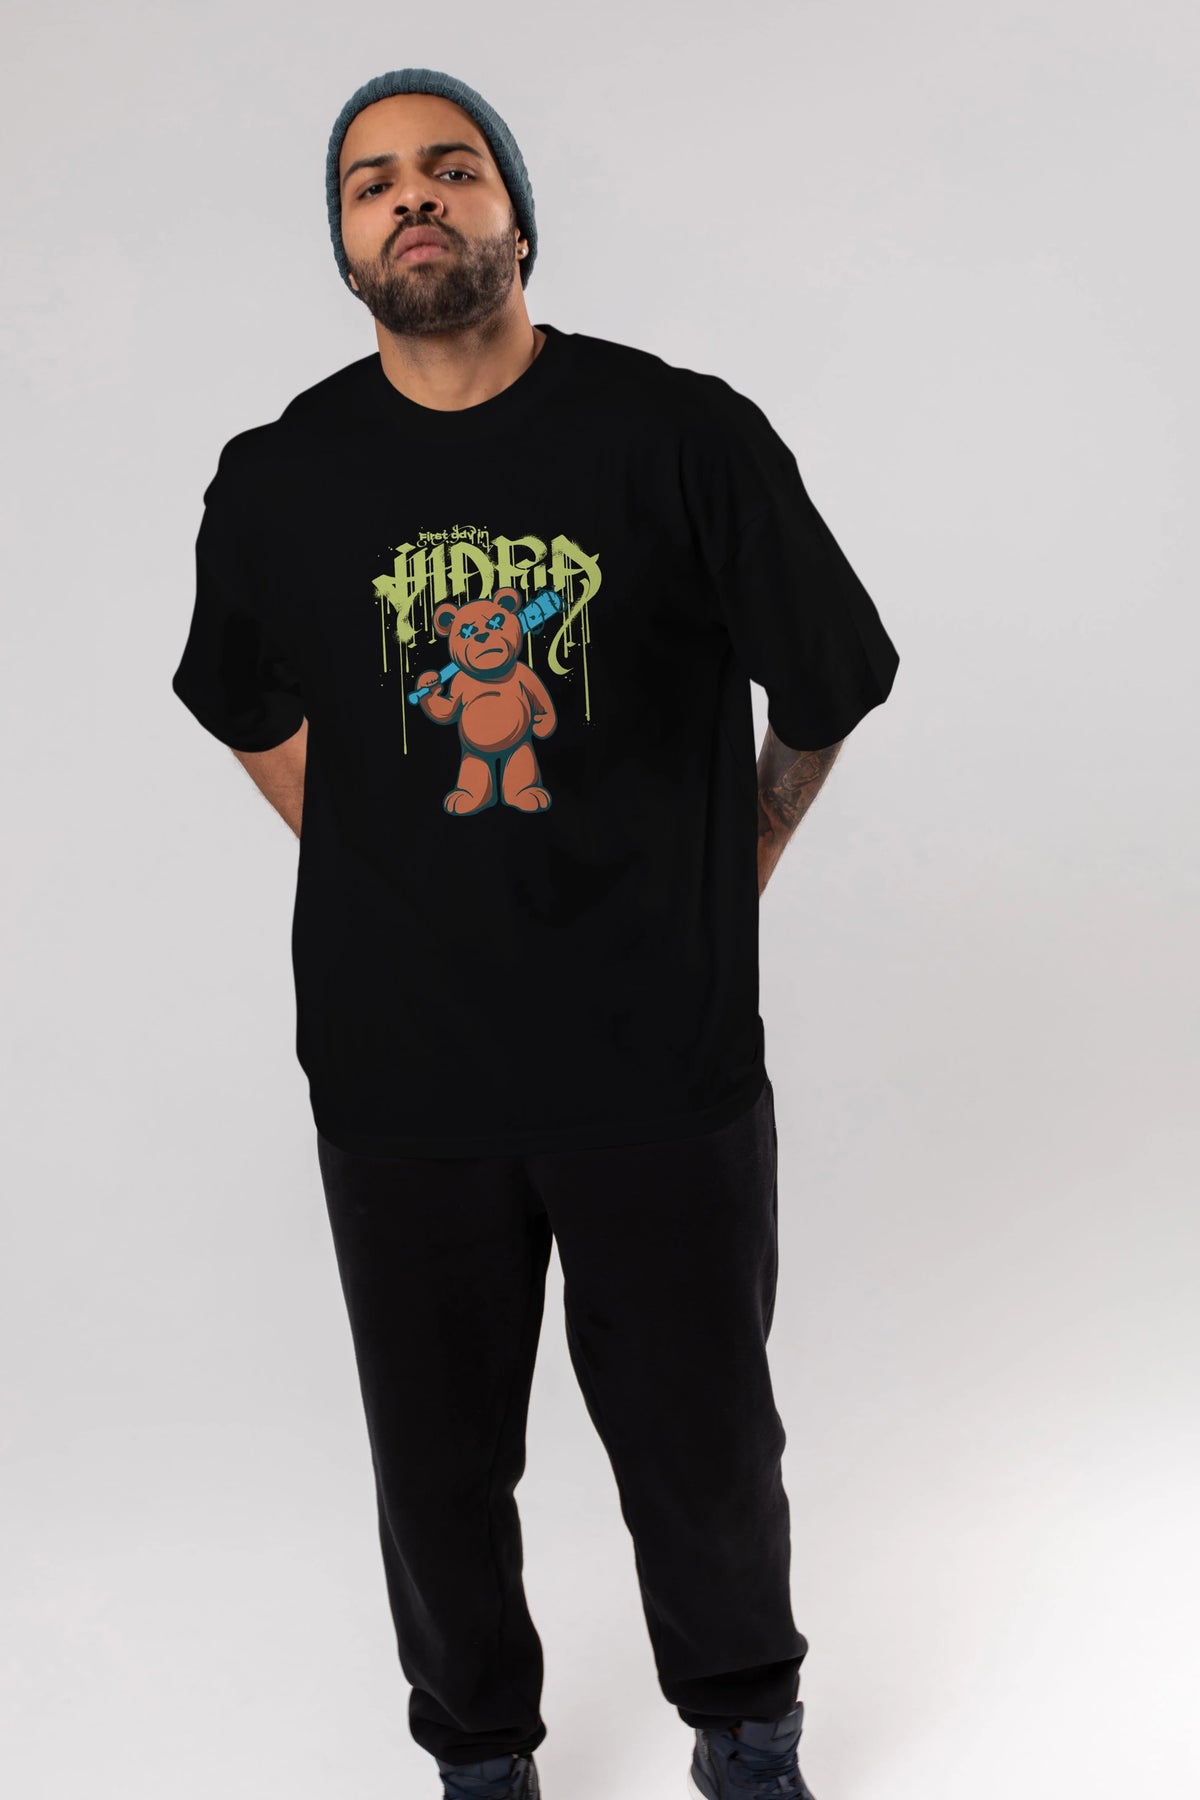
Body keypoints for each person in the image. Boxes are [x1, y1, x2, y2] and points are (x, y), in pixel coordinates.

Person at [170, 65, 899, 1800]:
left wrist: (746, 853)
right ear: (345, 243)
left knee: (703, 1440)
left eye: (452, 167)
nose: (413, 197)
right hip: (401, 1069)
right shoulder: (279, 477)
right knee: (435, 1467)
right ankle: (480, 1757)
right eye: (372, 183)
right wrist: (382, 855)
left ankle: (747, 1730)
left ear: (516, 214)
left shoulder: (681, 436)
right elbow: (243, 701)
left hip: (659, 1055)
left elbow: (829, 676)